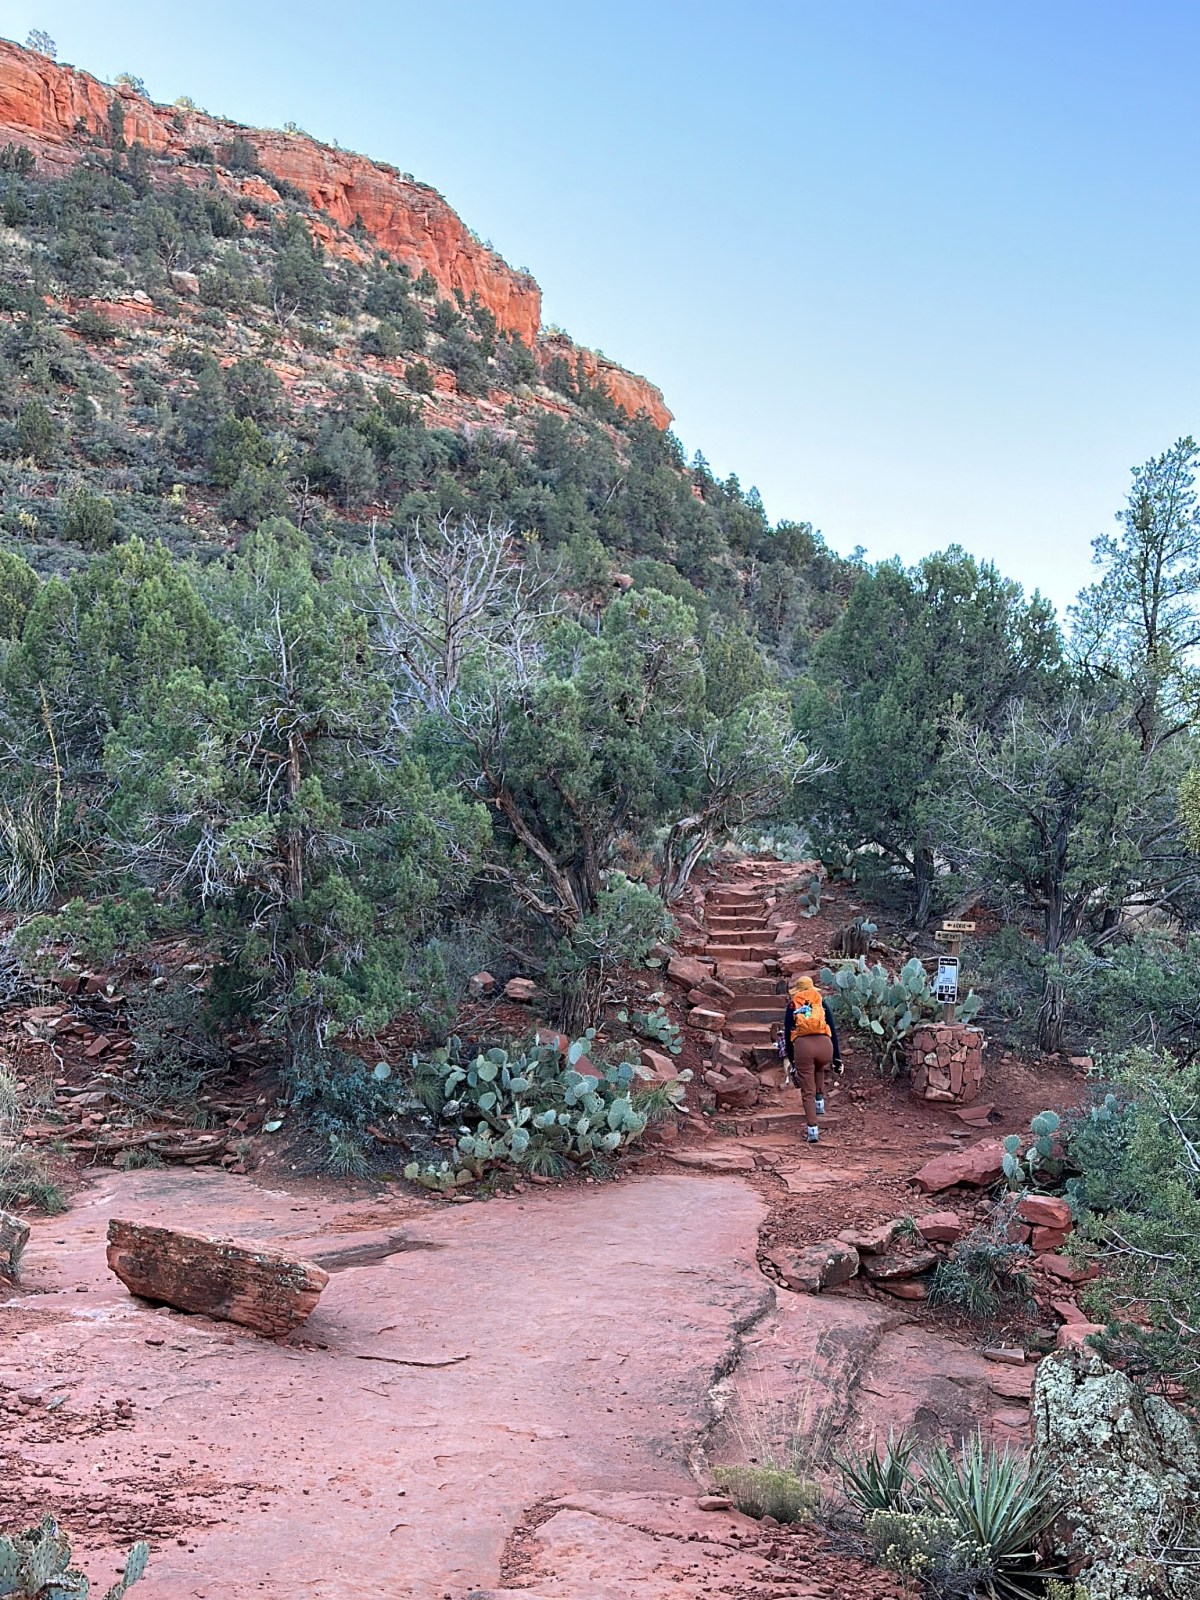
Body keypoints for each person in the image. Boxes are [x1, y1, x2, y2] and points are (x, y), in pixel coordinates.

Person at [782, 974, 843, 1143]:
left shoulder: (793, 1005)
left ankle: (812, 1130)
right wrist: (837, 1058)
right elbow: (832, 1030)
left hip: (803, 1047)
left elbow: (787, 1034)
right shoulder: (821, 1003)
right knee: (819, 1067)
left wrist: (792, 1058)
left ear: (797, 991)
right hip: (825, 1045)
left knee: (807, 1089)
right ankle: (820, 1103)